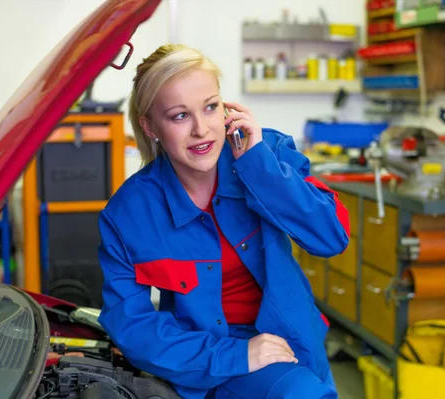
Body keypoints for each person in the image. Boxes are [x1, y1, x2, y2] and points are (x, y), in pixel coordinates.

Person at [97, 44, 350, 399]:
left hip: (296, 343)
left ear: (226, 108)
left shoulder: (267, 153)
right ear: (150, 126)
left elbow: (332, 237)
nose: (202, 129)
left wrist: (259, 168)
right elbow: (131, 324)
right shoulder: (128, 214)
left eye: (210, 107)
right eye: (179, 116)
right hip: (202, 359)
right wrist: (237, 355)